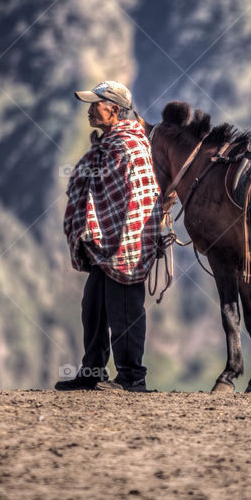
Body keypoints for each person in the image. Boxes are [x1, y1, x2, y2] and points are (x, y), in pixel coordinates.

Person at [55, 81, 163, 392]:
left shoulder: (130, 147)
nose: (89, 110)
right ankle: (92, 372)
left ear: (114, 109)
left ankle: (132, 378)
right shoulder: (111, 145)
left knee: (125, 310)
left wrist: (118, 239)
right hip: (106, 243)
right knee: (93, 306)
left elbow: (138, 201)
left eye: (95, 105)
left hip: (126, 244)